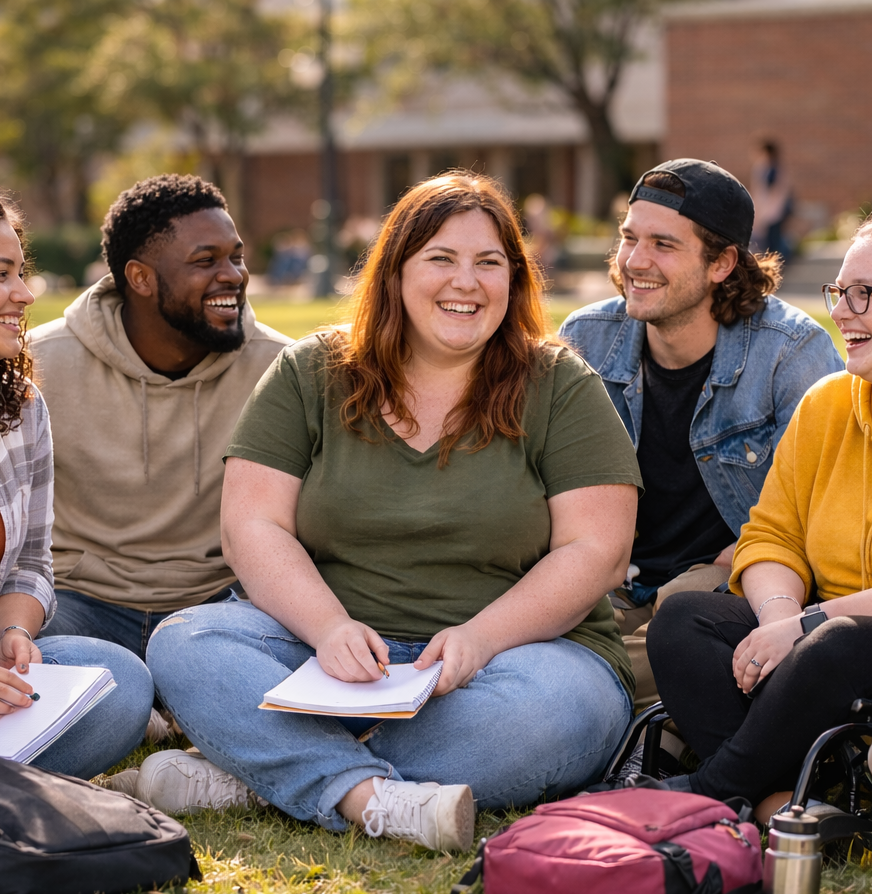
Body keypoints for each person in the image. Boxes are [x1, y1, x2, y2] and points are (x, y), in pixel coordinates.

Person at [130, 172, 641, 852]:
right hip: (334, 656)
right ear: (394, 273)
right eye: (441, 259)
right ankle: (369, 797)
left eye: (490, 263)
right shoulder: (313, 370)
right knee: (186, 643)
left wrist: (482, 638)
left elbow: (596, 550)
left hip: (520, 658)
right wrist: (327, 626)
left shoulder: (560, 384)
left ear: (513, 282)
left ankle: (261, 775)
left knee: (552, 718)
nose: (468, 282)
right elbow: (252, 523)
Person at [647, 207, 872, 824]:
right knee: (685, 620)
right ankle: (781, 803)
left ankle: (712, 792)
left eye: (864, 294)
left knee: (836, 643)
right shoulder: (827, 405)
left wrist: (809, 623)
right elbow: (770, 535)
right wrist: (779, 614)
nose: (841, 310)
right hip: (813, 630)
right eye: (839, 292)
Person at [559, 159, 842, 704]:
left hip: (726, 580)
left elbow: (818, 513)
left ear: (722, 263)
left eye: (663, 245)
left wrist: (709, 573)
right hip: (613, 578)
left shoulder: (791, 353)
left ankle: (603, 703)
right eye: (629, 238)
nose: (635, 262)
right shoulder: (586, 339)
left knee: (660, 628)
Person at [28, 175, 290, 661]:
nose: (233, 274)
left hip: (219, 604)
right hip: (79, 602)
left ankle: (173, 689)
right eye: (205, 261)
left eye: (236, 256)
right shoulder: (40, 365)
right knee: (21, 643)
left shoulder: (283, 369)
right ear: (141, 278)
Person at [0, 195, 153, 778]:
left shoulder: (22, 407)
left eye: (19, 271)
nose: (24, 293)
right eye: (1, 275)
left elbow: (30, 560)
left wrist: (14, 631)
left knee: (120, 684)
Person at [749, 140, 793, 262]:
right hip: (767, 209)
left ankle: (779, 262)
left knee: (773, 239)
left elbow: (777, 192)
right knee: (767, 240)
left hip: (773, 210)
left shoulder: (775, 170)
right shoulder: (762, 169)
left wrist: (766, 211)